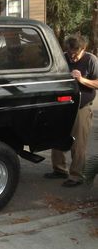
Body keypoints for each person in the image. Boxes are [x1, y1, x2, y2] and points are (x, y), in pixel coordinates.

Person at [44, 35, 98, 187]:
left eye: (76, 53)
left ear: (83, 49)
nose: (72, 56)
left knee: (78, 143)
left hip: (81, 107)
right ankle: (59, 169)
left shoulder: (91, 60)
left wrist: (82, 80)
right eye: (70, 52)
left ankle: (76, 176)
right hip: (62, 106)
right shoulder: (62, 57)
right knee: (57, 137)